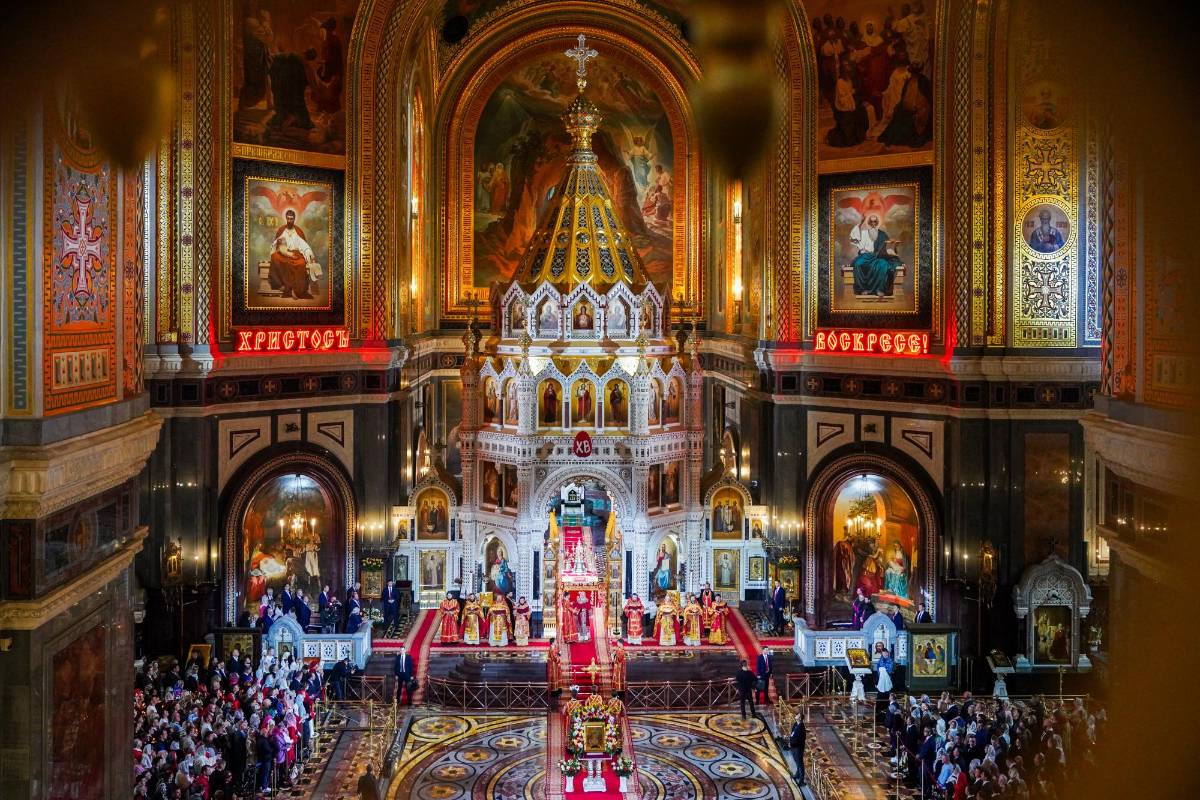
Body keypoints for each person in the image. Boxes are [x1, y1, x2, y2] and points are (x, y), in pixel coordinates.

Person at [267, 209, 317, 300]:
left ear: (294, 219)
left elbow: (304, 245)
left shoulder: (298, 231)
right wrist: (275, 249)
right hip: (284, 253)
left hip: (295, 254)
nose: (290, 220)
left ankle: (296, 290)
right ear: (286, 218)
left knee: (301, 263)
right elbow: (275, 243)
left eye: (291, 219)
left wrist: (309, 253)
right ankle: (283, 286)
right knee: (275, 257)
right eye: (288, 218)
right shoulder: (282, 230)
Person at [789, 714, 807, 785]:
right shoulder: (795, 724)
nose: (795, 715)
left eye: (797, 715)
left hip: (798, 748)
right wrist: (790, 743)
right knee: (796, 761)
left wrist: (792, 744)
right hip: (793, 746)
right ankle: (797, 774)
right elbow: (792, 734)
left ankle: (802, 780)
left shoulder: (801, 728)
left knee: (800, 763)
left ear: (799, 718)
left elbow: (800, 739)